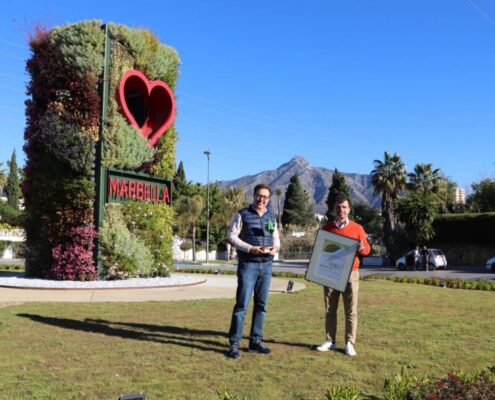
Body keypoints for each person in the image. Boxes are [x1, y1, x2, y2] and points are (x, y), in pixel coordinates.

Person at [226, 183, 280, 359]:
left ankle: (255, 341)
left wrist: (274, 249)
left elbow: (276, 240)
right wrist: (250, 249)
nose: (261, 199)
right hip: (248, 264)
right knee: (242, 305)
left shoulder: (271, 217)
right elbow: (231, 236)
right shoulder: (242, 214)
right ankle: (234, 343)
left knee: (261, 306)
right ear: (254, 195)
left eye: (265, 197)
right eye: (259, 195)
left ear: (268, 199)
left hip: (267, 265)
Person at [316, 194, 370, 357]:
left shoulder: (357, 228)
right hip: (331, 274)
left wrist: (361, 248)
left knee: (351, 310)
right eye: (338, 207)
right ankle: (330, 341)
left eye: (344, 207)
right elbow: (319, 253)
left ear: (349, 210)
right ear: (333, 210)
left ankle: (349, 343)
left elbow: (367, 250)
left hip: (351, 274)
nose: (341, 210)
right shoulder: (326, 229)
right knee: (330, 309)